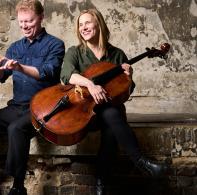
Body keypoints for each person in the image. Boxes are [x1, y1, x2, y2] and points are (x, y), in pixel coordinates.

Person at [60, 8, 168, 195]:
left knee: (111, 117)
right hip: (85, 113)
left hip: (109, 111)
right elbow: (66, 76)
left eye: (87, 23)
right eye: (80, 24)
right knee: (112, 114)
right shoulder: (75, 52)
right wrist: (91, 85)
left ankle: (101, 183)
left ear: (99, 24)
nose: (83, 27)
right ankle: (140, 162)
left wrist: (129, 78)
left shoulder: (117, 55)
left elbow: (124, 94)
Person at [0, 1, 65, 194]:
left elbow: (46, 73)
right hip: (17, 106)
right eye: (21, 21)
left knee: (16, 128)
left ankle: (17, 186)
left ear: (41, 18)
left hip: (43, 108)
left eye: (29, 21)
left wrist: (19, 67)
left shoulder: (55, 44)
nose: (24, 26)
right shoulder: (15, 47)